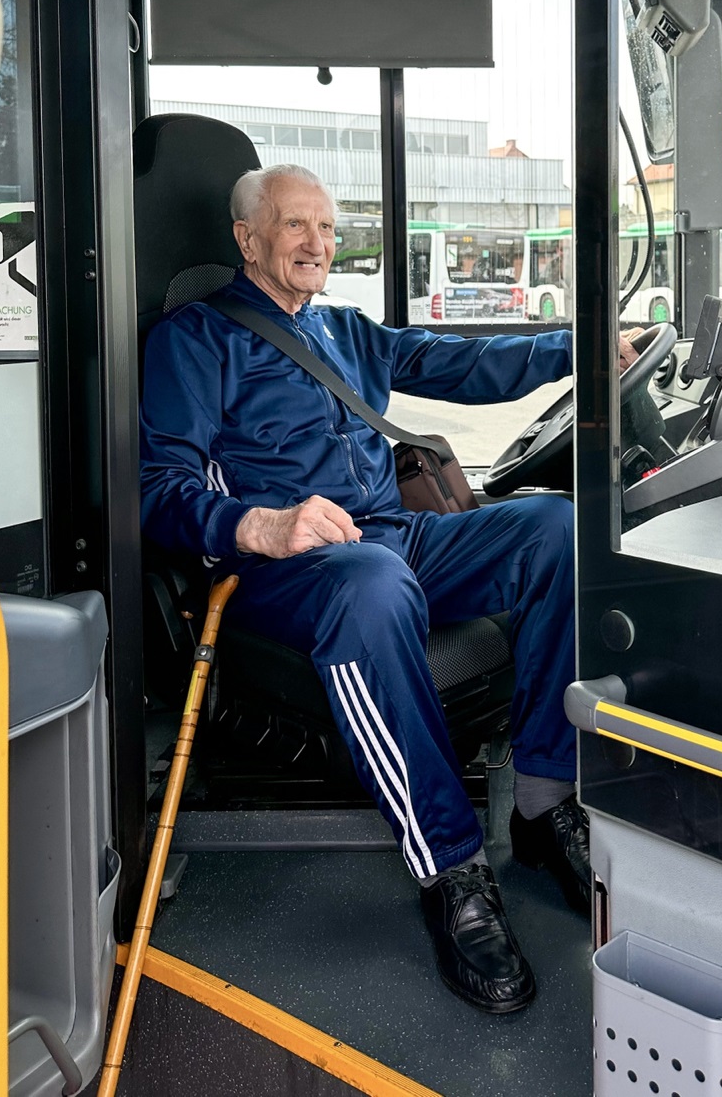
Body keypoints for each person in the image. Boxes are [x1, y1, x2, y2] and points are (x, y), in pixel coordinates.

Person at [140, 163, 638, 1014]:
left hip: (393, 540)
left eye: (327, 229)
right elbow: (157, 488)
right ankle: (450, 868)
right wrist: (259, 525)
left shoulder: (346, 330)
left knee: (555, 526)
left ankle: (545, 804)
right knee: (372, 581)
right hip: (282, 570)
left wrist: (578, 346)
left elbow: (466, 364)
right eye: (295, 226)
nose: (316, 244)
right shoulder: (196, 338)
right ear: (247, 239)